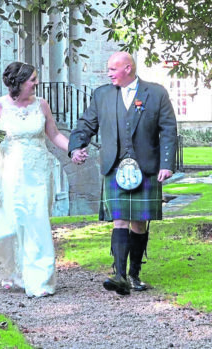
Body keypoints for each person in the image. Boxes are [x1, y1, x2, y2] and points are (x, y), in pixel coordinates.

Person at [69, 52, 177, 295]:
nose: (108, 73)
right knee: (119, 220)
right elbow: (87, 124)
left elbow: (168, 130)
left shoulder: (156, 93)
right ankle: (119, 275)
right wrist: (76, 146)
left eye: (113, 69)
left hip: (146, 166)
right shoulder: (102, 95)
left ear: (128, 68)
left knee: (139, 223)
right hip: (115, 166)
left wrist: (166, 164)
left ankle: (134, 274)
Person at [0, 62, 69, 298]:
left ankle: (40, 280)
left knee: (37, 222)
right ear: (18, 83)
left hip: (38, 172)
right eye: (32, 80)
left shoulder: (42, 105)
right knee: (11, 224)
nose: (36, 83)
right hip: (10, 172)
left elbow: (54, 134)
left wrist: (73, 150)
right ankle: (13, 270)